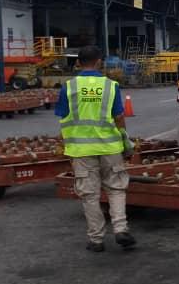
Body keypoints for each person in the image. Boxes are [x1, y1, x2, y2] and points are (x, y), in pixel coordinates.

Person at [57, 45, 136, 252]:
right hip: (110, 147)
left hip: (81, 151)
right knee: (116, 188)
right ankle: (120, 228)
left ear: (77, 63)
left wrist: (65, 146)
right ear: (99, 61)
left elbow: (63, 118)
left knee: (90, 195)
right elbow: (119, 117)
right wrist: (126, 142)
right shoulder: (111, 86)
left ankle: (96, 239)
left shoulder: (68, 87)